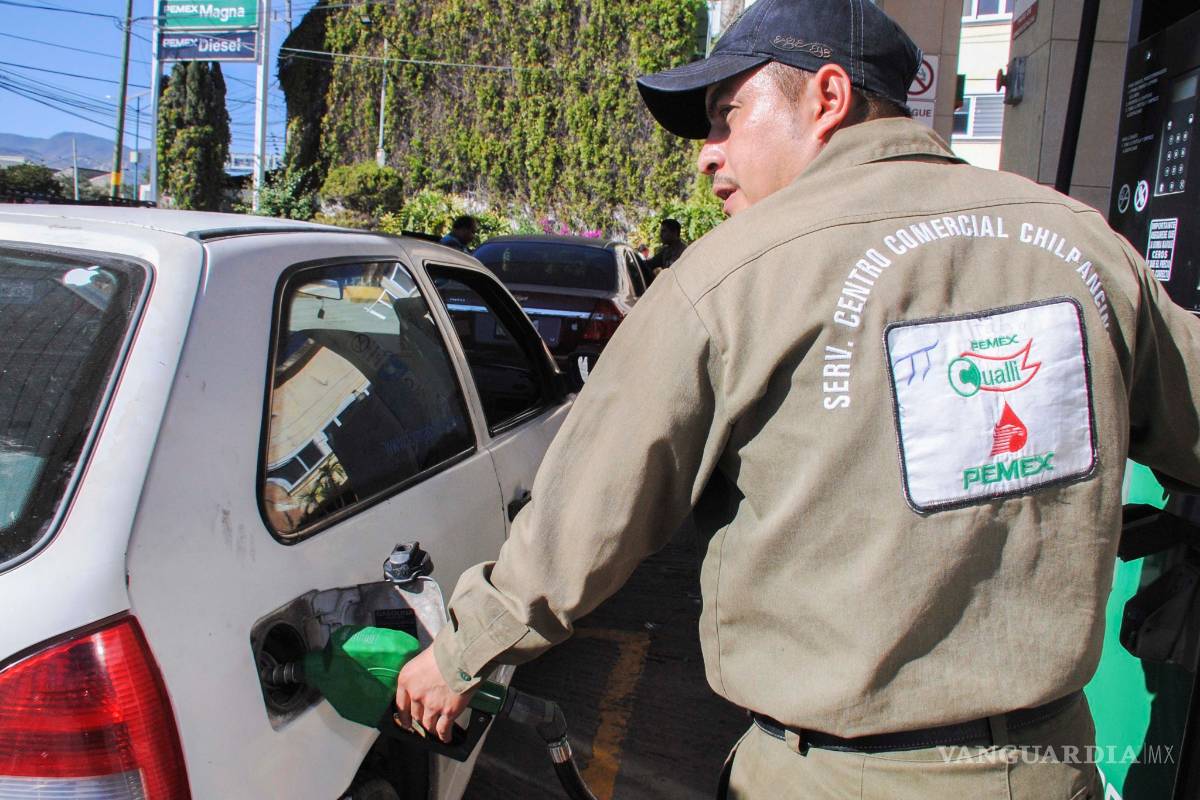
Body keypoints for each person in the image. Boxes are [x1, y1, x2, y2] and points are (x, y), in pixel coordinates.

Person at [395, 1, 1200, 797]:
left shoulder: (731, 279)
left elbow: (591, 510)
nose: (707, 157)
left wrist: (463, 651)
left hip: (837, 779)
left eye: (726, 115)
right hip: (1051, 770)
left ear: (827, 98)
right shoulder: (1084, 247)